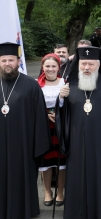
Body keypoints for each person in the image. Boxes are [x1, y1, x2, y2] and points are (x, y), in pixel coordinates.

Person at [56, 46, 101, 218]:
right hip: (77, 143)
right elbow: (63, 116)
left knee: (100, 179)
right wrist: (61, 100)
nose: (86, 68)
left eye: (91, 64)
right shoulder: (70, 83)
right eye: (83, 64)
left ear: (98, 64)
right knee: (77, 180)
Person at [0, 42, 51, 218]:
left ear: (18, 61)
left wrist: (37, 146)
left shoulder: (31, 85)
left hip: (24, 145)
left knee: (22, 178)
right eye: (4, 60)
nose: (7, 63)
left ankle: (26, 209)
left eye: (11, 60)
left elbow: (40, 118)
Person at [37, 54, 66, 207]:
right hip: (43, 126)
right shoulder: (37, 84)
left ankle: (60, 192)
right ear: (42, 67)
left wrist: (59, 113)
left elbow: (70, 104)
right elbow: (33, 106)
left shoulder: (64, 83)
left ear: (58, 68)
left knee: (61, 161)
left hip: (60, 127)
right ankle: (48, 191)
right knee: (46, 161)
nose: (50, 69)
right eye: (47, 66)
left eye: (53, 66)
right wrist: (46, 115)